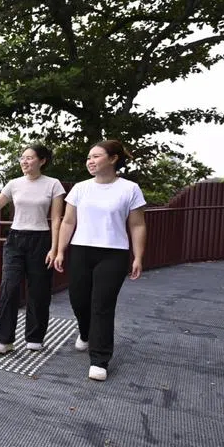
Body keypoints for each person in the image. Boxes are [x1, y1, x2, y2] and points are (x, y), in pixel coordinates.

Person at [54, 140, 148, 382]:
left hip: (113, 253)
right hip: (81, 251)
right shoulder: (80, 188)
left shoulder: (130, 189)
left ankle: (99, 359)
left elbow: (137, 224)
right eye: (88, 157)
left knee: (102, 306)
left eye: (96, 156)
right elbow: (67, 222)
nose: (90, 161)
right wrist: (60, 250)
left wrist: (138, 256)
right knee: (78, 300)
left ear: (113, 158)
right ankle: (85, 333)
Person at [0, 145, 65, 354]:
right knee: (9, 288)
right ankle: (4, 339)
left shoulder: (53, 184)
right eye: (22, 158)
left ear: (42, 161)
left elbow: (56, 220)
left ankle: (35, 337)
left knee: (39, 291)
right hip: (16, 239)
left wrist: (55, 248)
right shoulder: (14, 184)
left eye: (29, 158)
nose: (24, 162)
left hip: (41, 239)